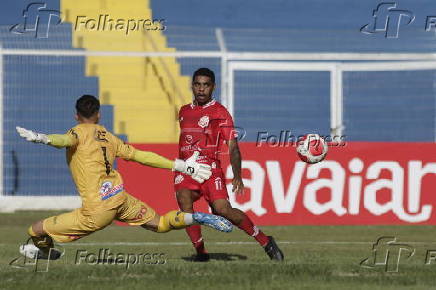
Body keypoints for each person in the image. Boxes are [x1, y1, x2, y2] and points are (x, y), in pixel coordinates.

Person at [17, 94, 232, 260]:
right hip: (120, 199)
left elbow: (64, 140)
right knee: (160, 224)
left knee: (34, 230)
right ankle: (197, 217)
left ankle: (45, 253)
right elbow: (141, 156)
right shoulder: (109, 138)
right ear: (99, 114)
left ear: (76, 116)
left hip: (97, 210)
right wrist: (179, 165)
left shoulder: (77, 132)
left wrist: (41, 138)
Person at [175, 68, 284, 261]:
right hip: (187, 169)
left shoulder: (220, 112)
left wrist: (238, 175)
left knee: (222, 210)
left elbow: (233, 146)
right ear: (192, 86)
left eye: (206, 85)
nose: (201, 89)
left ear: (213, 87)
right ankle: (201, 253)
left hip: (210, 170)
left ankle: (265, 241)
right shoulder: (183, 111)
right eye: (198, 84)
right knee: (185, 201)